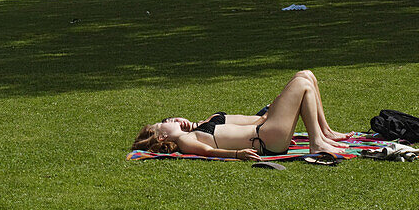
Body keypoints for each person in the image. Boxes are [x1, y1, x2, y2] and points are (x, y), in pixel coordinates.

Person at [131, 70, 350, 159]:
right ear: (162, 137)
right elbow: (208, 151)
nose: (169, 120)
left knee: (305, 75)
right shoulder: (186, 140)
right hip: (267, 138)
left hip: (267, 132)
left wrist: (270, 111)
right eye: (164, 123)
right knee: (302, 83)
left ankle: (323, 134)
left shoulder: (195, 131)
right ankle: (317, 143)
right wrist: (237, 154)